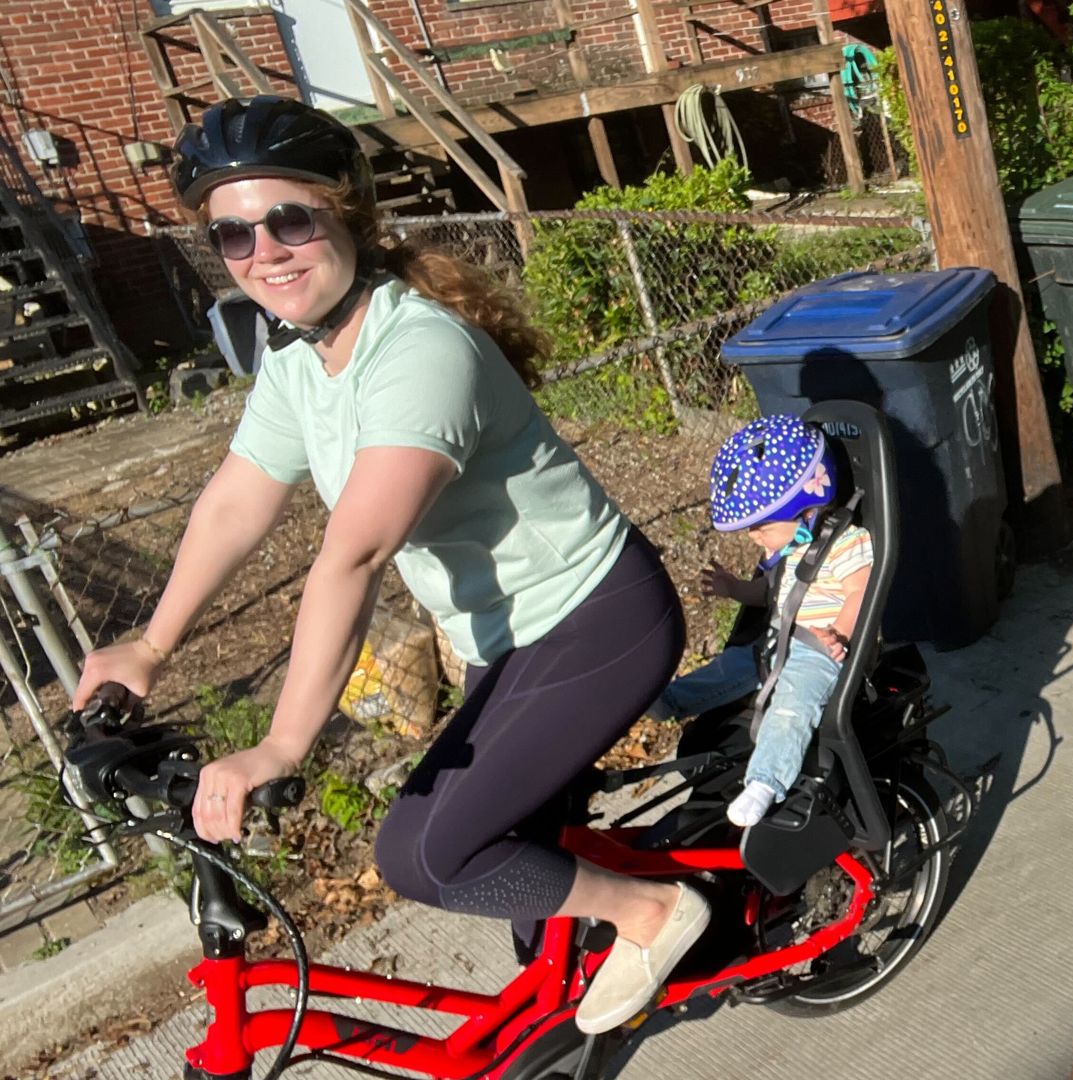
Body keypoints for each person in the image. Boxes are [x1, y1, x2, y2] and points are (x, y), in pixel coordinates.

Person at [69, 95, 707, 1036]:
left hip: (592, 620)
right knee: (529, 907)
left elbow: (353, 557)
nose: (265, 253)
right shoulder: (301, 359)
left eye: (289, 220)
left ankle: (657, 913)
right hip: (501, 637)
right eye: (233, 236)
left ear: (347, 215)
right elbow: (236, 503)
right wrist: (149, 646)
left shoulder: (420, 352)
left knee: (426, 857)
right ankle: (620, 917)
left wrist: (284, 746)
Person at [696, 414, 873, 828]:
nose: (755, 537)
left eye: (762, 528)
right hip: (779, 643)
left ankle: (765, 782)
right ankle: (667, 700)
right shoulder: (790, 547)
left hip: (820, 652)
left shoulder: (848, 543)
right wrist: (735, 588)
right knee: (729, 668)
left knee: (791, 707)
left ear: (805, 510)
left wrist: (841, 632)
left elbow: (861, 592)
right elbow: (770, 594)